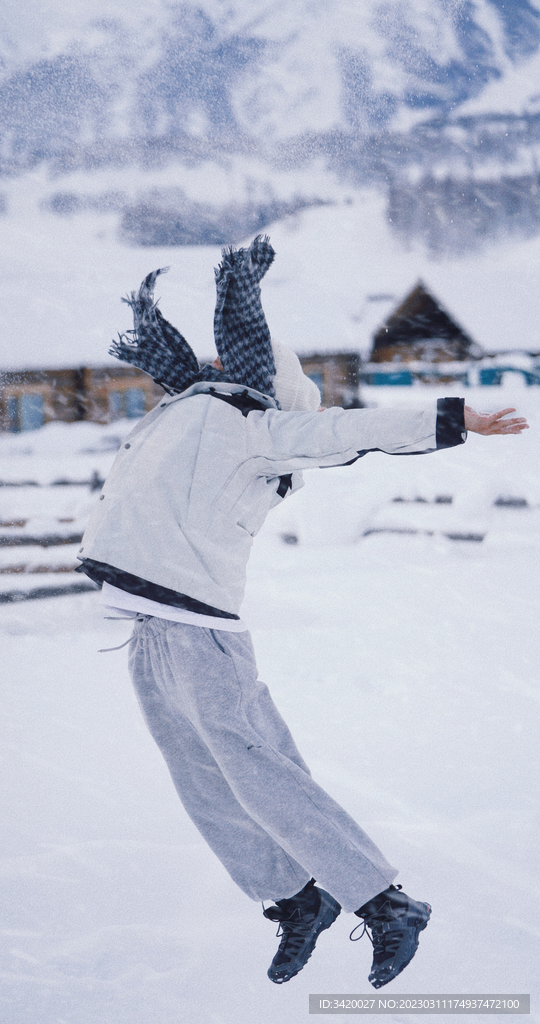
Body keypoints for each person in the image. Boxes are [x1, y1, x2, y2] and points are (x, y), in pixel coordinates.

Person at [76, 236, 528, 989]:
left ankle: (385, 904)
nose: (217, 366)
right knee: (204, 784)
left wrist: (456, 420)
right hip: (149, 629)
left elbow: (355, 428)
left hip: (199, 631)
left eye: (235, 364)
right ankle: (295, 900)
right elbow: (189, 360)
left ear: (267, 387)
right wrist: (151, 316)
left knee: (261, 773)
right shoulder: (189, 407)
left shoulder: (262, 430)